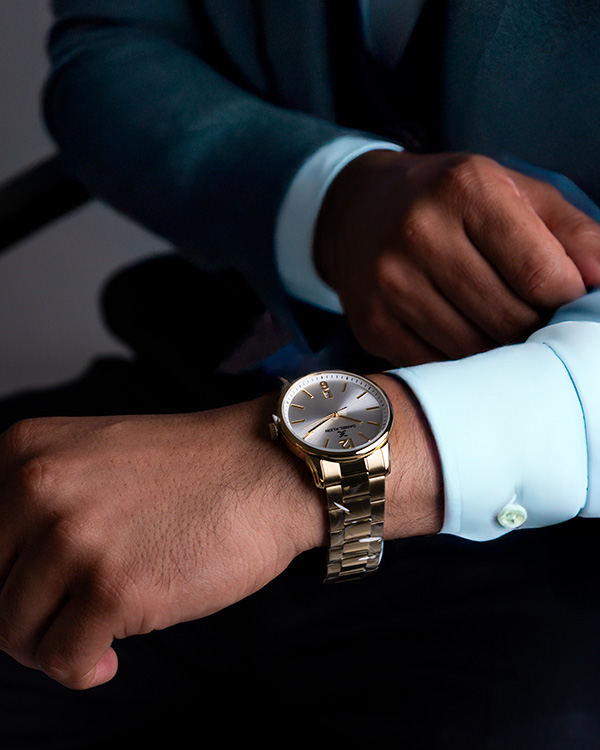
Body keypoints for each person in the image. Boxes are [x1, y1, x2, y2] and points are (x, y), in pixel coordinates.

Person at [0, 1, 598, 746]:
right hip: (194, 389)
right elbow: (112, 40)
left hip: (554, 554)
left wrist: (291, 472)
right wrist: (331, 199)